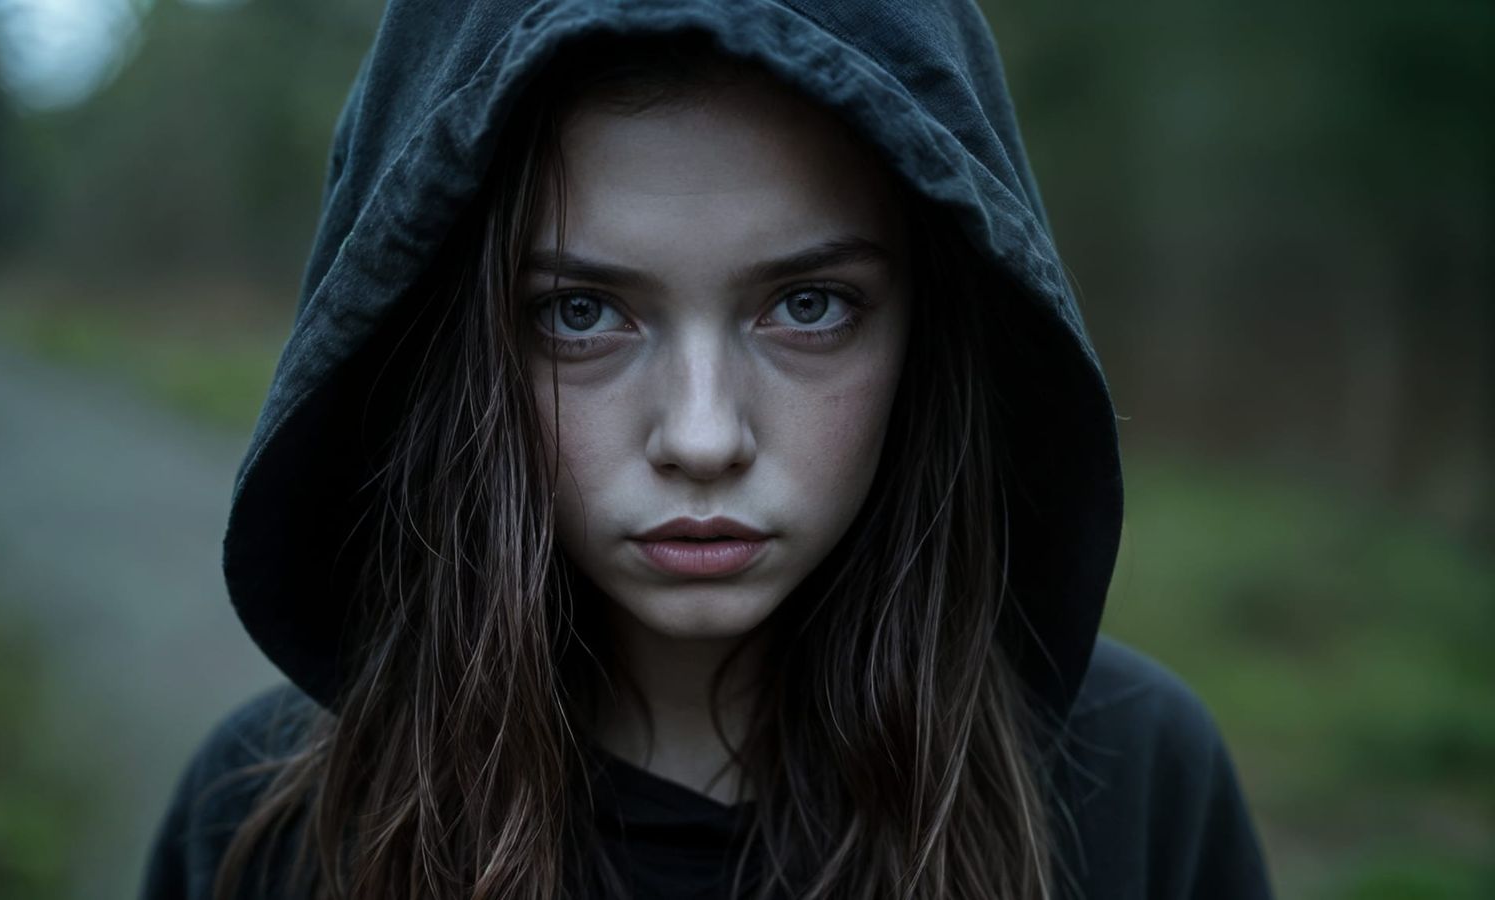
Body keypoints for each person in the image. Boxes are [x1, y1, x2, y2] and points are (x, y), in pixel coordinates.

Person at [141, 2, 1275, 898]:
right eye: (580, 314)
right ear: (456, 348)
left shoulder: (1131, 782)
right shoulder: (271, 825)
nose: (700, 437)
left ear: (933, 330)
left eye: (811, 305)